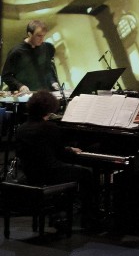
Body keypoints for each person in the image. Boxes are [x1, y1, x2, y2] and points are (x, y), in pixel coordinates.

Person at [15, 90, 99, 230]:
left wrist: (66, 150)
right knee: (86, 174)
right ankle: (89, 218)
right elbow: (61, 155)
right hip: (50, 173)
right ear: (50, 108)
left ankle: (61, 213)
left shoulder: (22, 128)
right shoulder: (50, 127)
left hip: (31, 173)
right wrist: (71, 151)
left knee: (73, 171)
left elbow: (46, 149)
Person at [2, 19, 61, 94]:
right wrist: (20, 86)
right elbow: (6, 76)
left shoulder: (47, 48)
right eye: (39, 36)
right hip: (27, 96)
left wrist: (53, 82)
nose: (42, 39)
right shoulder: (16, 52)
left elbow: (48, 70)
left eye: (43, 36)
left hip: (45, 94)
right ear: (29, 34)